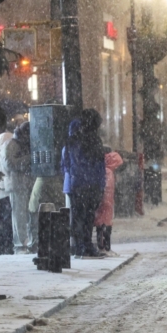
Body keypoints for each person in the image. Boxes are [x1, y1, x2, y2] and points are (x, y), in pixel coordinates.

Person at [62, 109, 106, 259]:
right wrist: (100, 183)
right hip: (91, 183)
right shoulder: (94, 140)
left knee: (78, 216)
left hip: (77, 183)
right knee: (87, 217)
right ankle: (86, 245)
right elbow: (100, 164)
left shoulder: (72, 141)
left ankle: (80, 245)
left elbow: (66, 163)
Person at [5, 121, 35, 254]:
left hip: (27, 183)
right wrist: (28, 159)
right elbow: (10, 163)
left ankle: (27, 241)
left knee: (28, 214)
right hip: (18, 185)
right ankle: (20, 244)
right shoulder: (13, 144)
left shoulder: (23, 143)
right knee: (19, 215)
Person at [94, 148, 123, 256]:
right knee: (105, 223)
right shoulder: (108, 172)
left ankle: (102, 246)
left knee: (100, 223)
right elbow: (108, 188)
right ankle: (105, 247)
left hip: (104, 202)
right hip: (107, 203)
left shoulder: (102, 169)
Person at [0, 130, 15, 255]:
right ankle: (7, 248)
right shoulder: (3, 155)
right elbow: (6, 177)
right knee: (6, 223)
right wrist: (11, 189)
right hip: (5, 194)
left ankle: (0, 248)